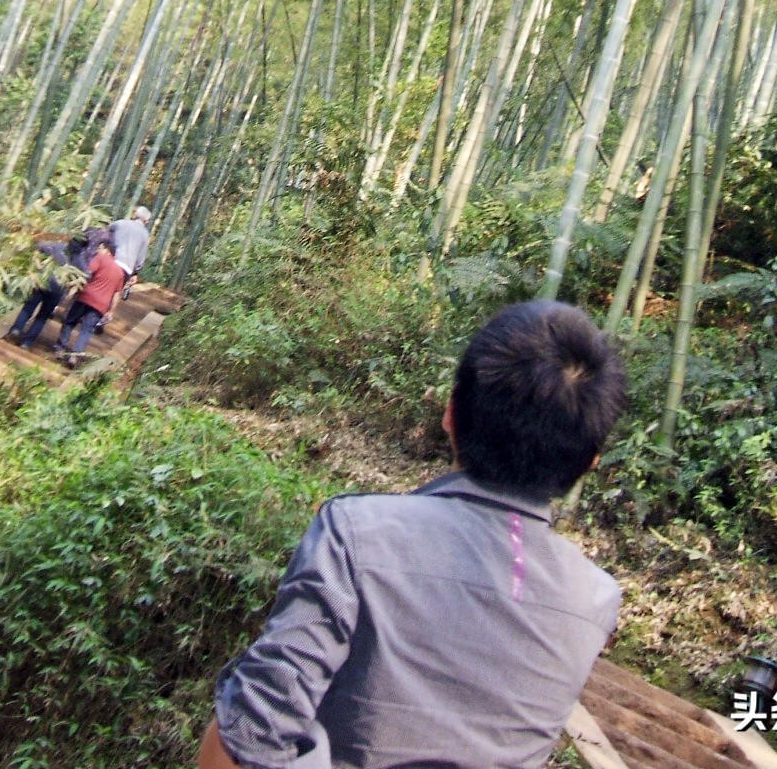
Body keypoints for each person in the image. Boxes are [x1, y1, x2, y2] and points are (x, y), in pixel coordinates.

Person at [198, 301, 627, 769]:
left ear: (450, 413)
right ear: (589, 464)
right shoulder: (597, 598)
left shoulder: (357, 534)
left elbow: (251, 737)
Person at [52, 239, 126, 363]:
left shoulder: (101, 258)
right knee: (86, 330)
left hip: (86, 296)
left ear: (108, 251)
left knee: (70, 321)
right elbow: (117, 294)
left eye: (101, 248)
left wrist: (75, 290)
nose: (98, 250)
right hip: (101, 305)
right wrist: (111, 311)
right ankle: (75, 355)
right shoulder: (120, 273)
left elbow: (87, 273)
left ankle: (60, 348)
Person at [98, 205, 152, 333]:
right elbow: (141, 256)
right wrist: (136, 271)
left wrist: (104, 248)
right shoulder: (145, 234)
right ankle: (107, 315)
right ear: (146, 221)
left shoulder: (120, 223)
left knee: (98, 281)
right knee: (117, 291)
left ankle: (86, 307)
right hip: (127, 266)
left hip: (110, 259)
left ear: (134, 215)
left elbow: (107, 233)